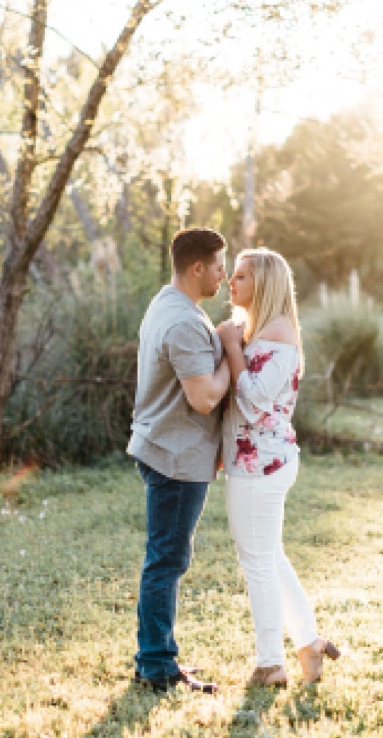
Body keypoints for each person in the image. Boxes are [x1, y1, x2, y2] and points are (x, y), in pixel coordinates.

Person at [216, 248, 340, 688]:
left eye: (242, 276)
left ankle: (270, 664)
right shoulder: (264, 331)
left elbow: (251, 402)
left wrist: (232, 347)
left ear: (265, 284)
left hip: (261, 465)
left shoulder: (277, 334)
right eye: (232, 275)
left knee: (257, 564)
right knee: (268, 556)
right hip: (259, 460)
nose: (231, 282)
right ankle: (308, 641)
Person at [128, 227, 231, 694]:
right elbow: (205, 398)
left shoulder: (168, 303)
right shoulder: (186, 323)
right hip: (174, 456)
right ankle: (156, 665)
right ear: (197, 268)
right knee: (166, 560)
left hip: (166, 446)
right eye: (218, 266)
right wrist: (231, 352)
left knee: (165, 558)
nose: (224, 275)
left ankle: (156, 658)